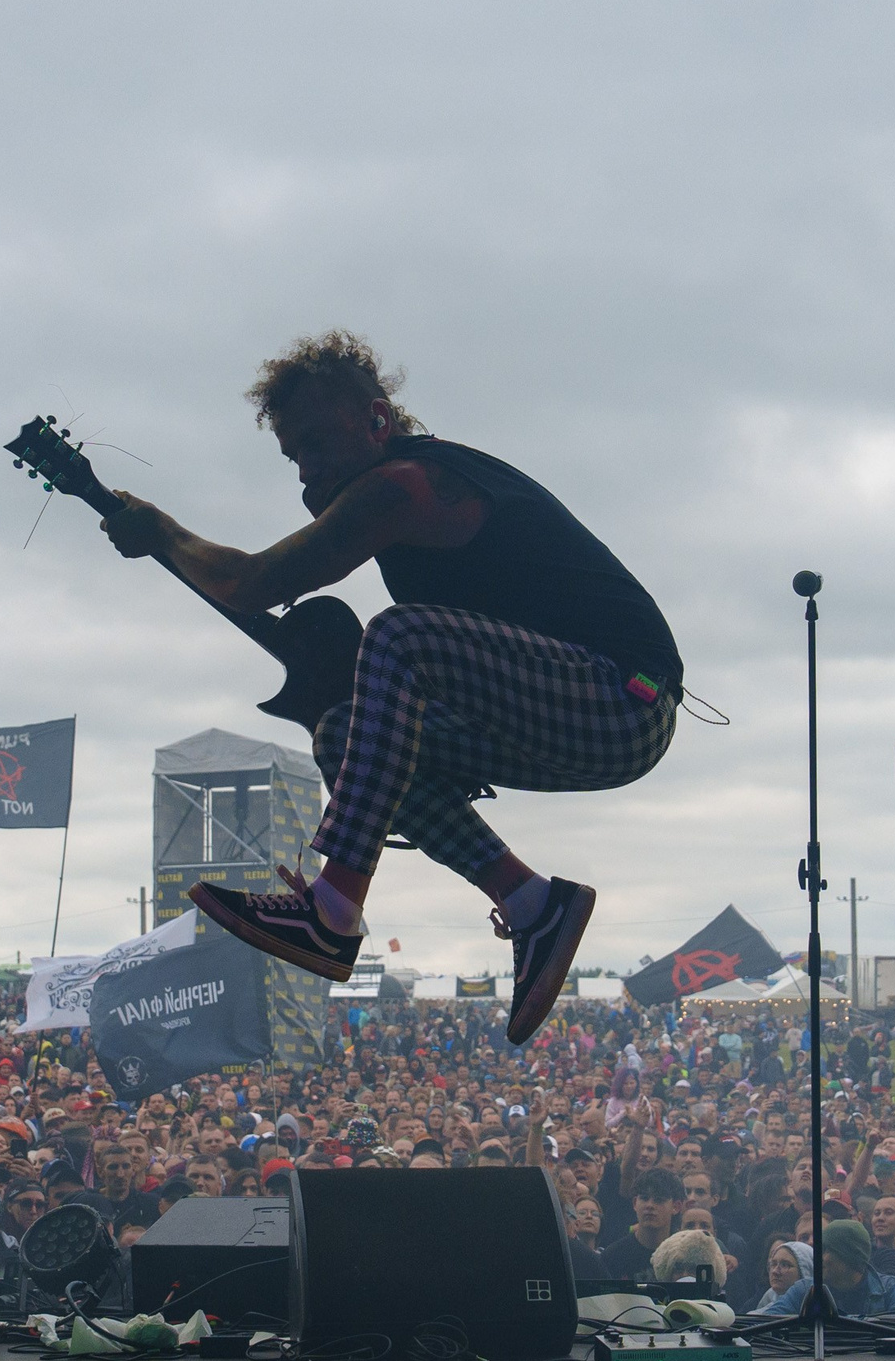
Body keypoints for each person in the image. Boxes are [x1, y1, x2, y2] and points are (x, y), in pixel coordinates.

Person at [101, 333, 680, 1042]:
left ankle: (332, 907)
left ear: (377, 420)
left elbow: (254, 582)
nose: (307, 469)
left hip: (626, 698)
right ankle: (532, 903)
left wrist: (163, 531)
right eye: (294, 455)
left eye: (317, 443)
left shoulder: (406, 485)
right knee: (346, 733)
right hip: (568, 709)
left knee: (400, 636)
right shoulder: (399, 490)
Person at [760, 1220, 895, 1317]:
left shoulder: (891, 1289)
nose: (818, 1257)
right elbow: (767, 1322)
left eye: (826, 1250)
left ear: (849, 1256)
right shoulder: (804, 1290)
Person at [752, 1240, 812, 1314]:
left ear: (805, 1270)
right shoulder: (768, 1296)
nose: (775, 1271)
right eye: (773, 1264)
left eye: (785, 1265)